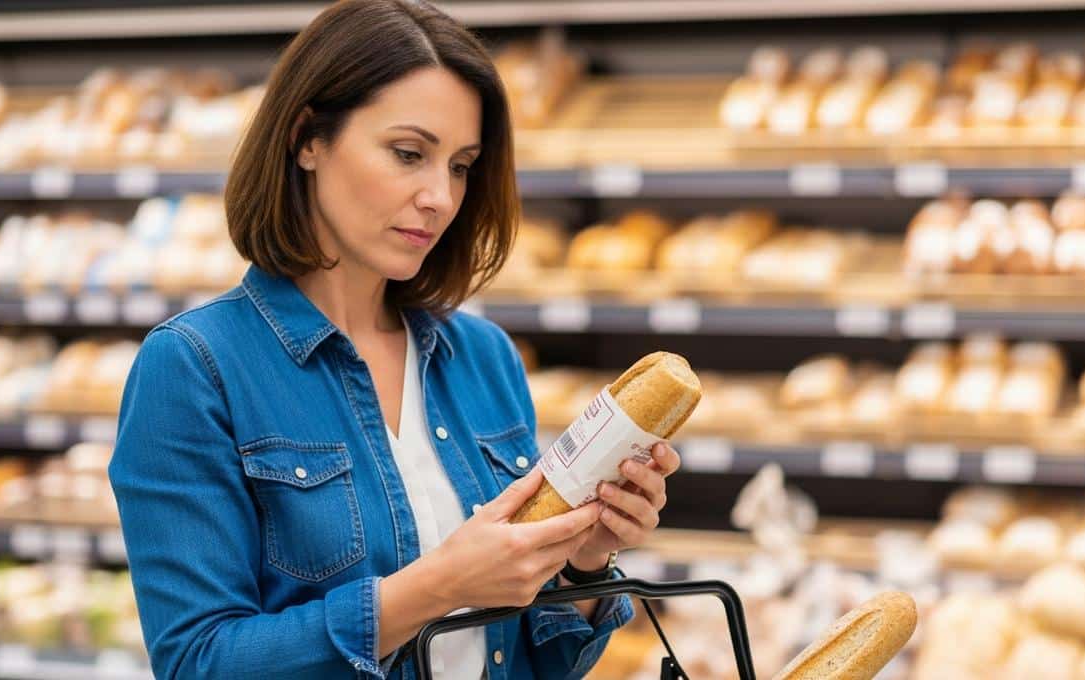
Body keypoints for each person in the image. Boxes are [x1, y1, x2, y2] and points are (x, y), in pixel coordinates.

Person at [108, 1, 683, 678]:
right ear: (307, 139)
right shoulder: (196, 367)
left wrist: (584, 558)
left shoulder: (483, 358)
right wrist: (436, 587)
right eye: (408, 153)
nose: (440, 196)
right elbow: (199, 662)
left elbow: (537, 662)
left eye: (462, 165)